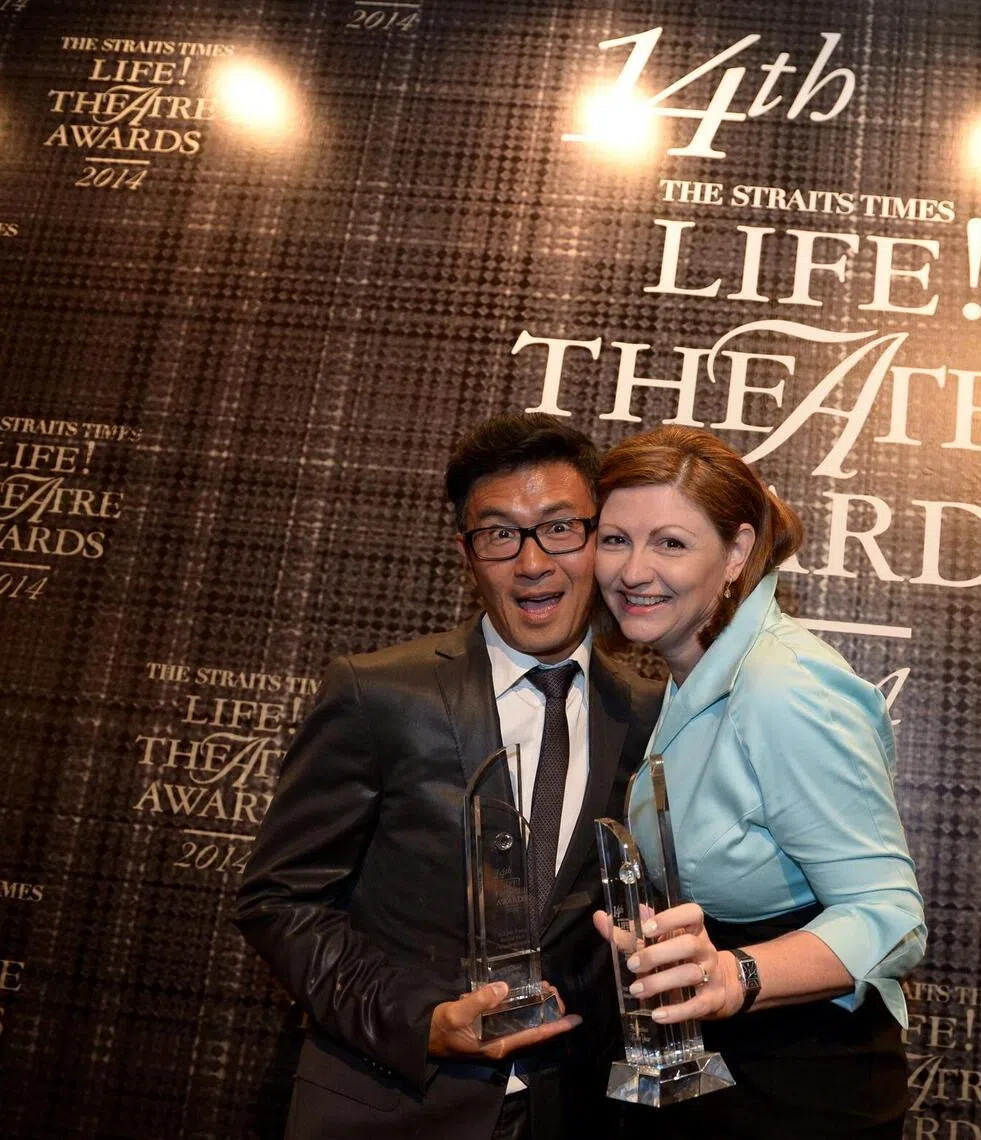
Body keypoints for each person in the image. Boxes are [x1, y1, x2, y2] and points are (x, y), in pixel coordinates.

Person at [235, 413, 662, 1140]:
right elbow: (280, 900)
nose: (532, 563)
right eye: (500, 534)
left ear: (602, 539)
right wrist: (423, 1024)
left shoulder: (653, 716)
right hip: (389, 1105)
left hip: (575, 1111)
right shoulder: (379, 695)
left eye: (560, 528)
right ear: (466, 554)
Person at [592, 426, 926, 1139]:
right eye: (614, 539)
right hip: (726, 1074)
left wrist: (731, 976)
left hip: (804, 1089)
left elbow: (890, 916)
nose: (631, 569)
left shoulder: (783, 685)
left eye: (671, 543)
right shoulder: (688, 677)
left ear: (737, 552)